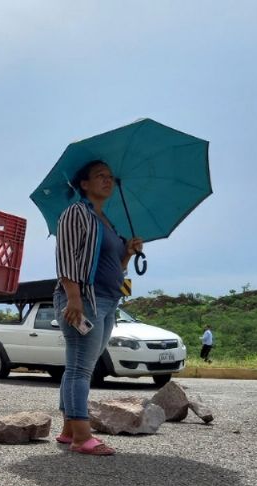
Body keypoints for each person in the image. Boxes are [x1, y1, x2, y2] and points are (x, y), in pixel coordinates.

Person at [53, 159, 144, 456]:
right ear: (84, 184)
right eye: (99, 176)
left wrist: (127, 253)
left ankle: (69, 430)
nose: (107, 180)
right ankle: (82, 436)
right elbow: (65, 257)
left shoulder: (105, 220)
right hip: (84, 300)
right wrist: (73, 298)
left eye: (110, 176)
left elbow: (111, 267)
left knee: (81, 365)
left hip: (107, 301)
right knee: (81, 368)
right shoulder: (76, 213)